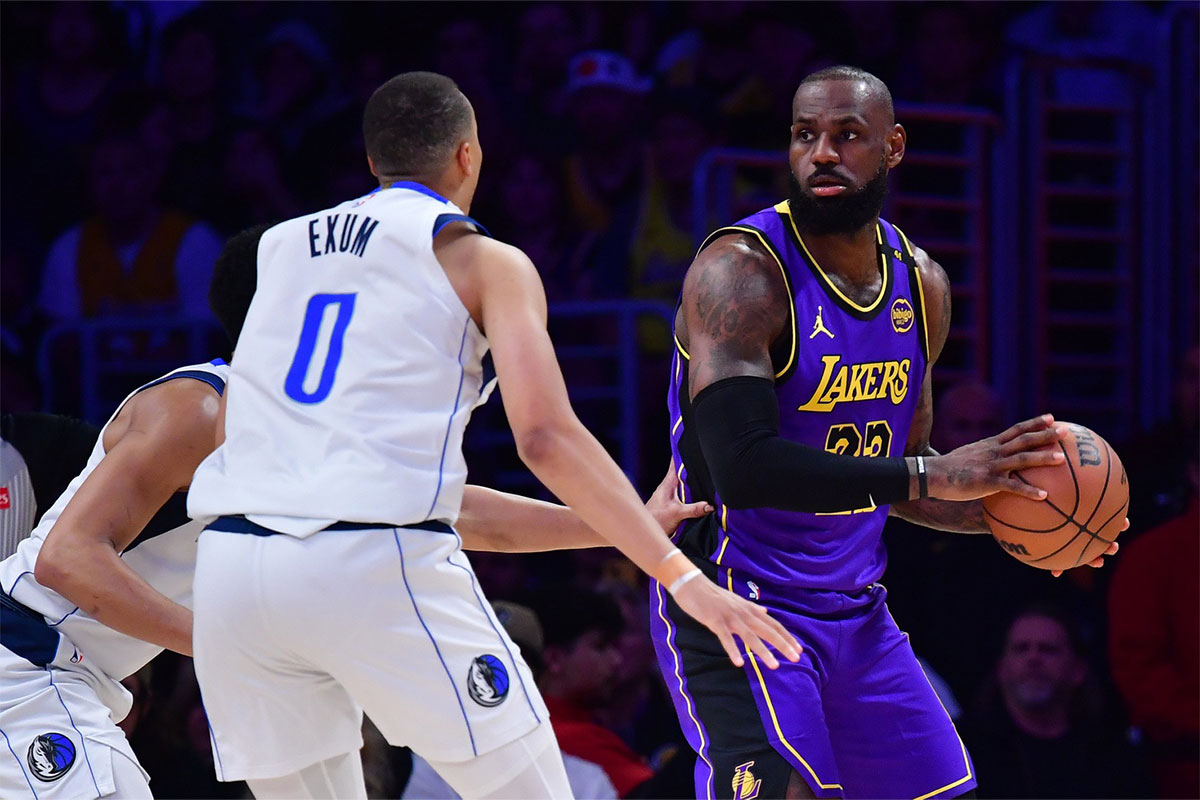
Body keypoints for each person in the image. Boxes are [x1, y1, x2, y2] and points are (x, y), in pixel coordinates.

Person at [185, 71, 799, 800]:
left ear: (372, 161)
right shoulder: (485, 262)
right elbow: (543, 439)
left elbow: (423, 498)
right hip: (370, 563)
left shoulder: (275, 252)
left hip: (230, 572)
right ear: (469, 156)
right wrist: (680, 575)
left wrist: (618, 527)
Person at [0, 223, 715, 800]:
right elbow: (68, 558)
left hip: (73, 681)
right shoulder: (197, 405)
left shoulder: (310, 428)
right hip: (24, 668)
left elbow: (460, 513)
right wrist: (222, 643)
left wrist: (622, 526)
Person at [652, 65, 1119, 799]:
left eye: (847, 135)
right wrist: (932, 473)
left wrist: (1032, 524)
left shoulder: (921, 282)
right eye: (805, 135)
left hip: (858, 614)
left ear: (894, 147)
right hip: (736, 602)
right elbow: (743, 469)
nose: (823, 154)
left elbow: (901, 481)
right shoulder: (740, 274)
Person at [958, 605, 1150, 798]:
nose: (1033, 658)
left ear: (1078, 670)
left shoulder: (1113, 757)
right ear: (1001, 667)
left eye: (1048, 649)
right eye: (1021, 649)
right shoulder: (963, 751)